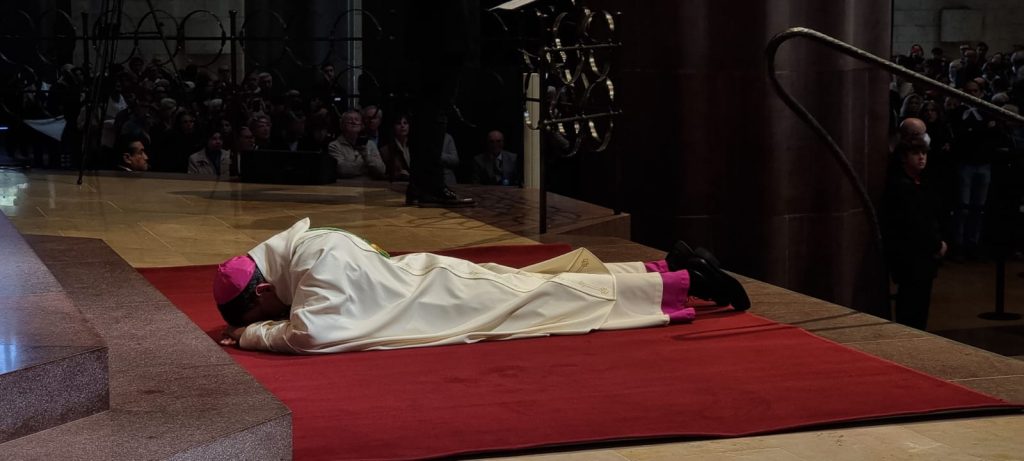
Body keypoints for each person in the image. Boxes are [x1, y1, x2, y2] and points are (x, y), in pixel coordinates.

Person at [213, 219, 750, 354]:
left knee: (555, 299)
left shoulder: (313, 261)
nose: (275, 313)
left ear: (260, 292)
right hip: (435, 285)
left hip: (441, 298)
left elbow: (314, 333)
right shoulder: (308, 246)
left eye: (265, 311)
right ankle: (664, 269)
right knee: (549, 285)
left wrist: (253, 336)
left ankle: (682, 283)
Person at [882, 139, 946, 330]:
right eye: (916, 154)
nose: (921, 158)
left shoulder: (919, 183)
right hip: (911, 257)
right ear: (904, 158)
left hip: (922, 257)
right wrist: (937, 244)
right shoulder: (902, 186)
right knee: (911, 306)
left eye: (924, 154)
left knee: (920, 305)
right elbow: (916, 223)